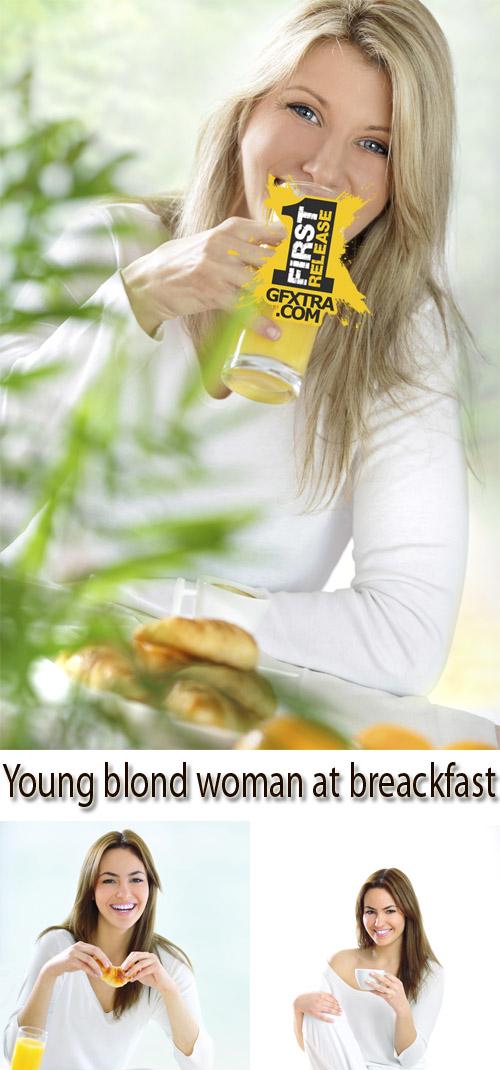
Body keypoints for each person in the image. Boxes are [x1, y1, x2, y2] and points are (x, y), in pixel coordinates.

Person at [1, 0, 469, 696]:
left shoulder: (398, 333)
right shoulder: (112, 247)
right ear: (245, 113)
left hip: (218, 730)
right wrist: (134, 300)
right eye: (304, 110)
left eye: (377, 145)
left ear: (404, 182)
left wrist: (155, 608)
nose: (323, 167)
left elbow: (404, 637)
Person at [3, 829, 213, 1070]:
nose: (124, 893)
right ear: (92, 890)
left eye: (136, 880)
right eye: (109, 880)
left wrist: (169, 990)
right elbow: (14, 1056)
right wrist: (49, 974)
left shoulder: (167, 965)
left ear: (150, 888)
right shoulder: (57, 946)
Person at [277, 867, 471, 1070]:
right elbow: (316, 1047)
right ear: (361, 915)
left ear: (407, 912)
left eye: (390, 911)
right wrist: (298, 1007)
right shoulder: (341, 962)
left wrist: (401, 1008)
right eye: (370, 912)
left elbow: (411, 1058)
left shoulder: (430, 973)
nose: (379, 922)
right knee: (315, 1010)